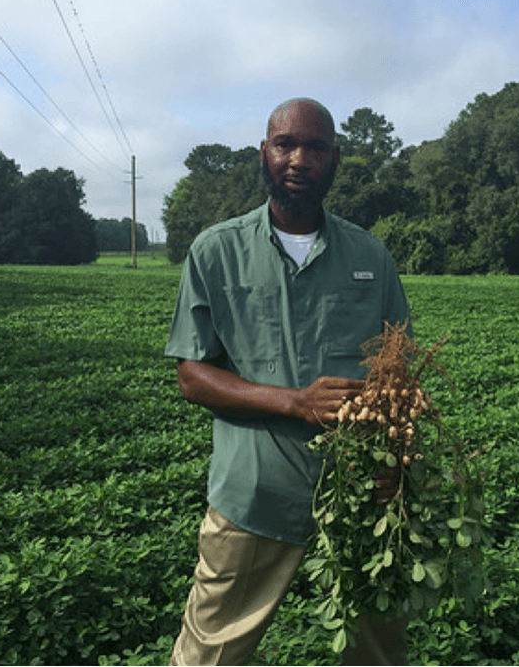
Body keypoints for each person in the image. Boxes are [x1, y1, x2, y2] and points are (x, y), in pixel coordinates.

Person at [164, 97, 411, 666]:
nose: (299, 158)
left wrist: (394, 463)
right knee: (208, 653)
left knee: (378, 652)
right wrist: (293, 402)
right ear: (264, 153)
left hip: (359, 494)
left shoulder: (370, 255)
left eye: (315, 147)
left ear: (335, 159)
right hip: (256, 493)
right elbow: (193, 375)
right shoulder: (217, 250)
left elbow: (396, 373)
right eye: (285, 144)